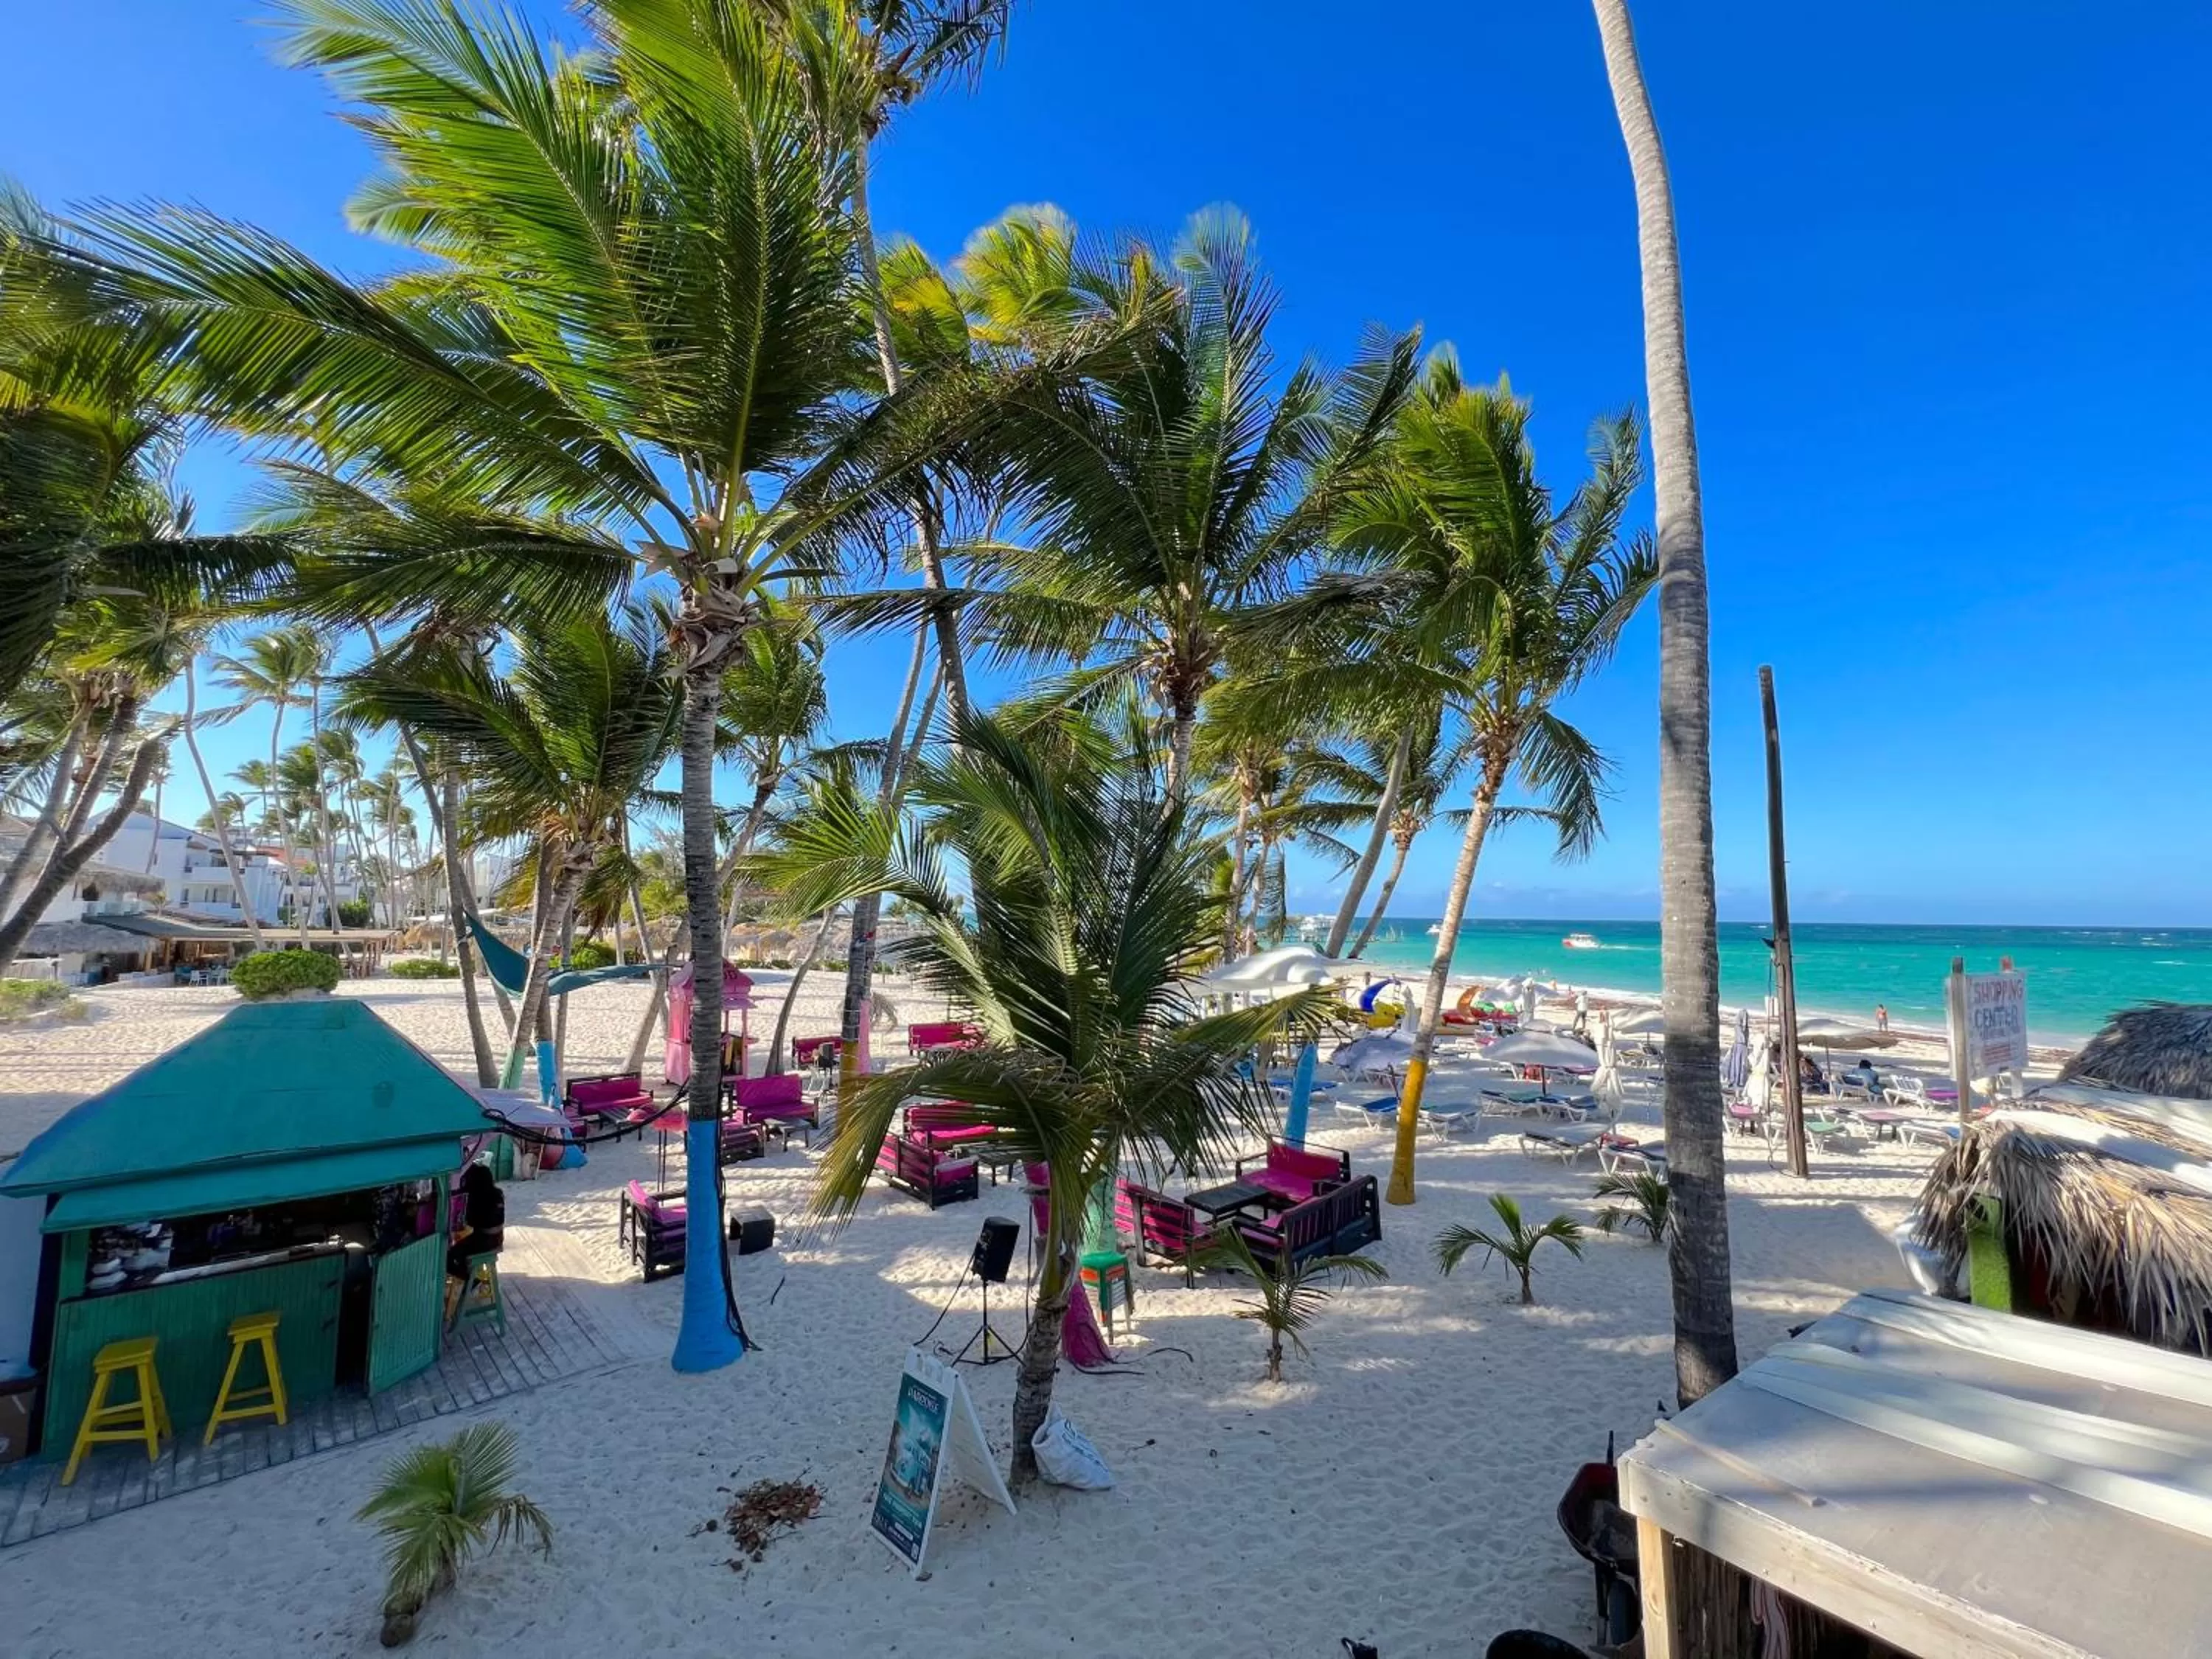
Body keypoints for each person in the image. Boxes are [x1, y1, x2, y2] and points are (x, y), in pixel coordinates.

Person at [445, 1161, 506, 1318]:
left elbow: (470, 1222)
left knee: (448, 1255)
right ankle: (469, 1276)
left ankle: (469, 1279)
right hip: (496, 1239)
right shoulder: (497, 1194)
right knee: (459, 1249)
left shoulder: (479, 1198)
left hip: (484, 1241)